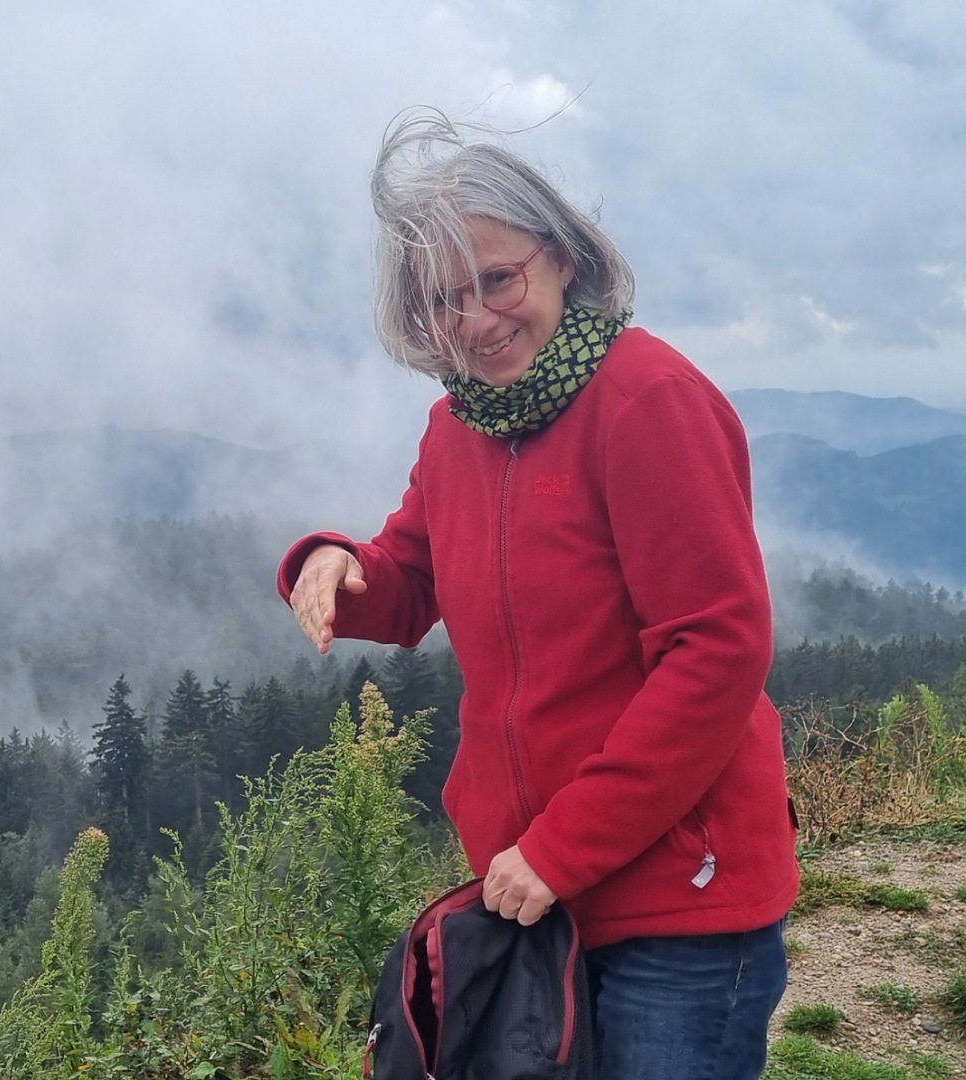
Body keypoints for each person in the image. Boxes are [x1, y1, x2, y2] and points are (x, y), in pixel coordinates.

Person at [279, 112, 799, 1079]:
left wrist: (562, 847)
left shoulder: (649, 402)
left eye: (497, 280)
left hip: (677, 907)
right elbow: (410, 580)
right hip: (535, 896)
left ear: (561, 257)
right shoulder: (459, 426)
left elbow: (718, 651)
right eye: (442, 300)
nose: (475, 320)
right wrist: (335, 565)